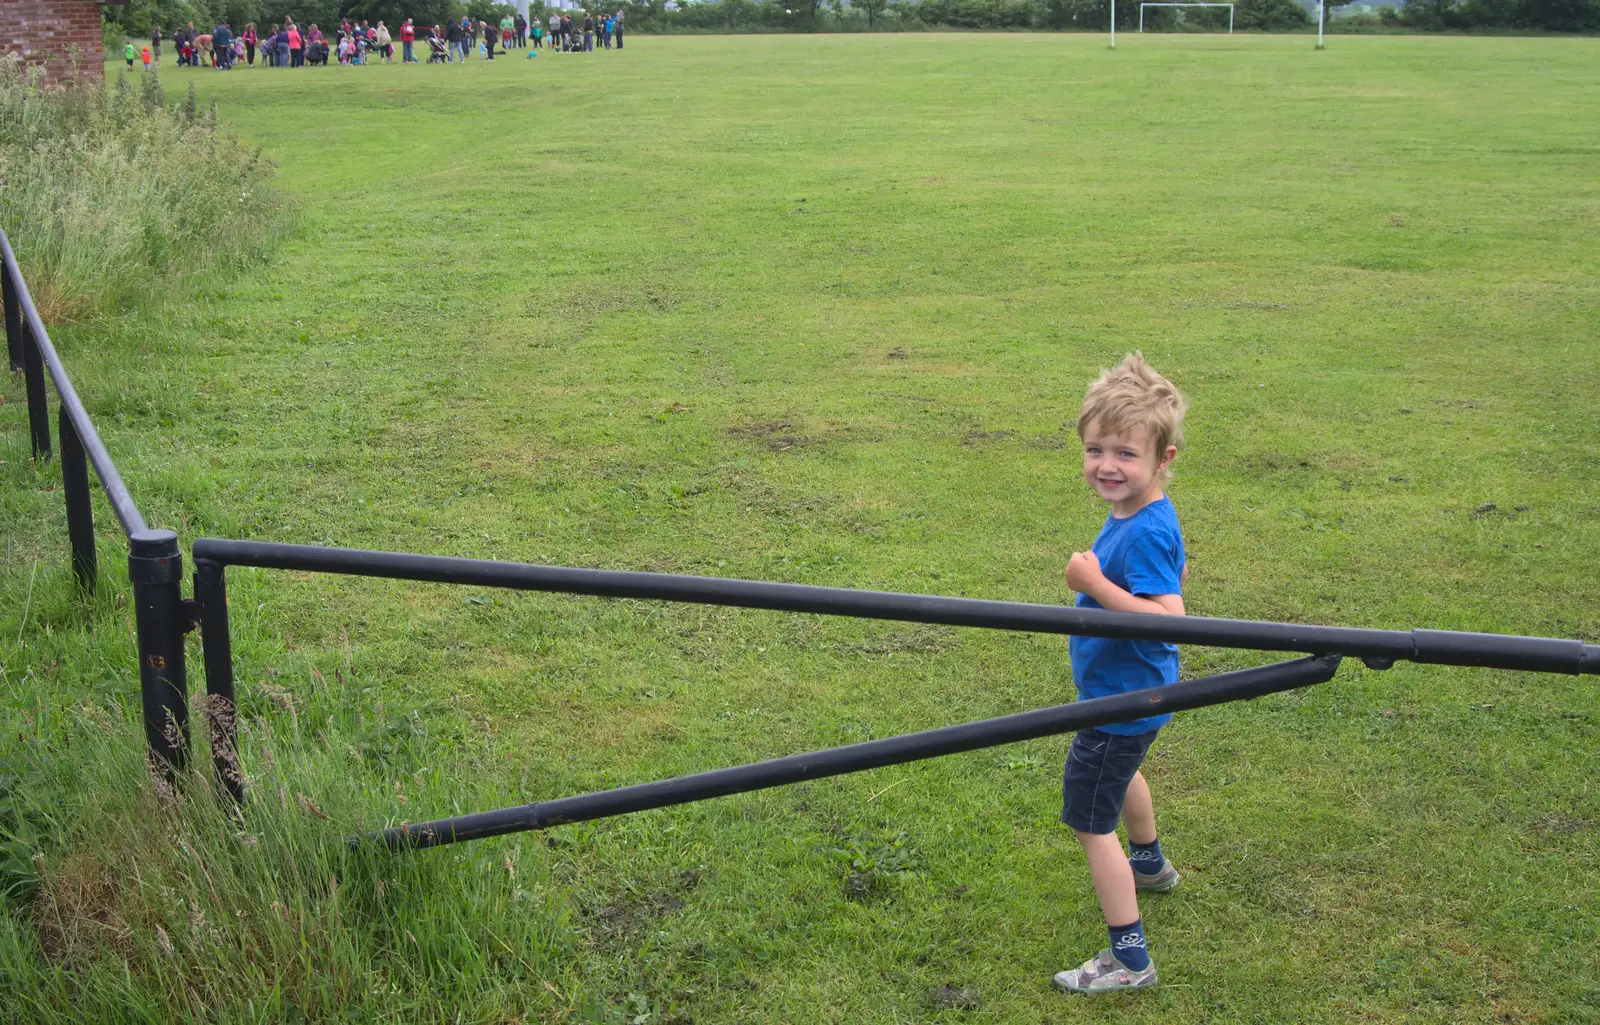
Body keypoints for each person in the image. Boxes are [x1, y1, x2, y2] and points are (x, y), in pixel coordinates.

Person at [1052, 353, 1189, 996]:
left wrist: (1095, 584)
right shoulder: (1145, 514)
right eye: (1095, 449)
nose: (1107, 465)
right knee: (1123, 770)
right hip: (1130, 696)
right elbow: (1171, 581)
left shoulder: (1146, 530)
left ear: (1163, 459)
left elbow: (1170, 620)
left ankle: (1129, 959)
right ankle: (1153, 865)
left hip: (1121, 697)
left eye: (1126, 454)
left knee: (1089, 821)